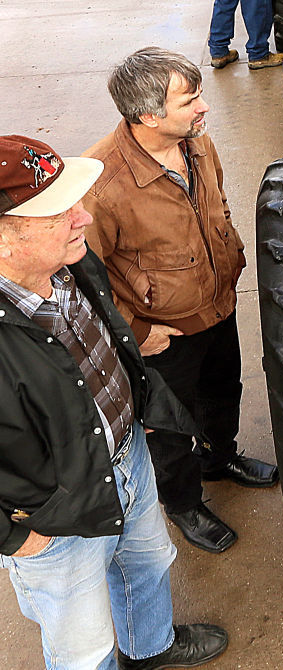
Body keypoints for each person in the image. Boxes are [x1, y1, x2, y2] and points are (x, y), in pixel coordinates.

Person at [0, 134, 230, 670]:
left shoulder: (71, 261)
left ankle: (149, 647)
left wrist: (139, 404)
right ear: (5, 240)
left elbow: (109, 340)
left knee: (147, 563)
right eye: (60, 212)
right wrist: (15, 536)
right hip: (55, 518)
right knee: (83, 648)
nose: (83, 217)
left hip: (129, 457)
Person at [82, 48, 277, 556]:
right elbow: (85, 275)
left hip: (217, 306)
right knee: (169, 425)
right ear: (148, 115)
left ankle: (220, 459)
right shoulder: (100, 183)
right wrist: (136, 333)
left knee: (222, 390)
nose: (204, 107)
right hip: (161, 332)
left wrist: (228, 257)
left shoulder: (197, 143)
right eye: (190, 100)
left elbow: (217, 202)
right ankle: (184, 502)